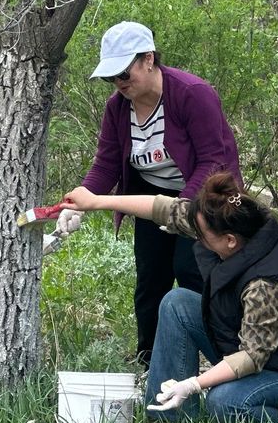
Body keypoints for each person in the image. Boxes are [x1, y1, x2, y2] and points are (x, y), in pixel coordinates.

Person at [63, 172, 278, 423]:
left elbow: (252, 357)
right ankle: (169, 416)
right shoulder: (230, 221)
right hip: (257, 347)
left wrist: (194, 384)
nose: (197, 237)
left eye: (201, 236)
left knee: (224, 402)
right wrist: (97, 200)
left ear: (230, 241)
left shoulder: (265, 284)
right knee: (177, 303)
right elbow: (164, 209)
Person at [68, 21, 241, 366]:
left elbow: (212, 160)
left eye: (124, 73)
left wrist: (181, 209)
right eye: (111, 77)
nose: (119, 83)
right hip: (150, 194)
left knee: (191, 269)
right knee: (151, 278)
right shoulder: (117, 108)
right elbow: (106, 166)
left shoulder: (192, 93)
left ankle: (225, 358)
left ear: (148, 59)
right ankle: (150, 361)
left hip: (201, 194)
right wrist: (79, 202)